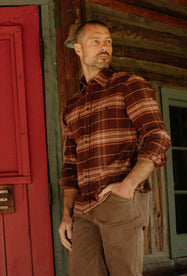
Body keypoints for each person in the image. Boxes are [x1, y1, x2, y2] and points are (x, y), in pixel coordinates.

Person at [58, 20, 171, 276]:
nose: (104, 47)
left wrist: (127, 186)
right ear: (78, 49)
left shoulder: (129, 84)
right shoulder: (72, 105)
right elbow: (69, 164)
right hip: (83, 209)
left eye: (108, 41)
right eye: (95, 41)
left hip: (118, 198)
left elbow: (158, 136)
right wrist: (67, 214)